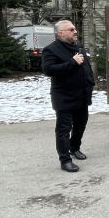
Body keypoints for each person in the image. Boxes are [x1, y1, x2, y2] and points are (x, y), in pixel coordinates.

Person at [42, 20, 95, 172]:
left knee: (81, 124)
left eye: (75, 28)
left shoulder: (78, 47)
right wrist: (72, 62)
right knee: (64, 129)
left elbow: (86, 66)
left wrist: (90, 81)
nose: (75, 31)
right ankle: (65, 160)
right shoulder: (51, 50)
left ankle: (75, 147)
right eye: (71, 29)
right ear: (61, 33)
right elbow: (49, 69)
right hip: (64, 96)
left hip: (82, 95)